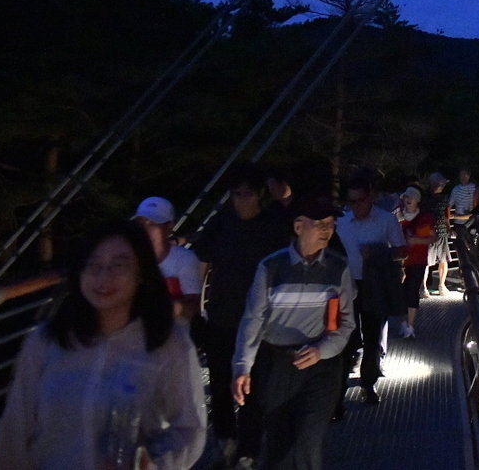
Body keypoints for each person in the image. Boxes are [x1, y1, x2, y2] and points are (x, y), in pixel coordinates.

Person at [0, 220, 206, 469]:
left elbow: (190, 428)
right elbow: (15, 430)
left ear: (141, 273)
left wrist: (156, 463)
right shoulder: (46, 341)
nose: (104, 277)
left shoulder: (168, 344)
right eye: (93, 266)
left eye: (118, 266)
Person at [233, 194, 353, 470]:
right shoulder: (272, 267)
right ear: (299, 227)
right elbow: (253, 319)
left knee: (307, 438)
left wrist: (322, 349)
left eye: (330, 224)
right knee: (279, 439)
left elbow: (345, 322)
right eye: (320, 223)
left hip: (321, 365)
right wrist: (242, 367)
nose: (327, 230)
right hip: (277, 362)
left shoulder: (338, 268)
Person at [191, 164, 289, 469]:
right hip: (222, 316)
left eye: (247, 194)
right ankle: (224, 440)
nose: (241, 201)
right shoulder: (222, 222)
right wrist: (197, 309)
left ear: (259, 194)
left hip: (260, 321)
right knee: (219, 384)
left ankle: (248, 449)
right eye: (236, 194)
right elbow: (201, 262)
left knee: (254, 389)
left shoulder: (273, 223)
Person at [335, 174, 406, 408]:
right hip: (346, 285)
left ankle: (368, 383)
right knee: (346, 337)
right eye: (351, 202)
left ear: (371, 197)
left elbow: (401, 250)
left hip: (374, 284)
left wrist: (377, 251)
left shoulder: (386, 220)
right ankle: (338, 391)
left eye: (360, 201)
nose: (356, 207)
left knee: (373, 336)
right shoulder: (341, 222)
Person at [133, 197, 202, 322]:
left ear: (169, 226)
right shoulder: (127, 258)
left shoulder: (185, 259)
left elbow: (192, 307)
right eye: (141, 223)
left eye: (152, 224)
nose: (145, 229)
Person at [396, 187, 435, 339]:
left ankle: (410, 326)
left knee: (412, 290)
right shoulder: (397, 216)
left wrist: (416, 240)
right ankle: (404, 323)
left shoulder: (425, 217)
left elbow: (433, 237)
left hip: (418, 259)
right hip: (400, 260)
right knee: (399, 293)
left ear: (417, 200)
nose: (408, 199)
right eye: (405, 196)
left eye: (411, 197)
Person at [422, 172, 452, 295]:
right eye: (441, 183)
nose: (443, 185)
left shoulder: (437, 197)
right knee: (427, 262)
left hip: (439, 232)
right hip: (431, 233)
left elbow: (445, 215)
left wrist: (448, 227)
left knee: (442, 260)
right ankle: (424, 287)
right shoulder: (425, 198)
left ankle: (440, 285)